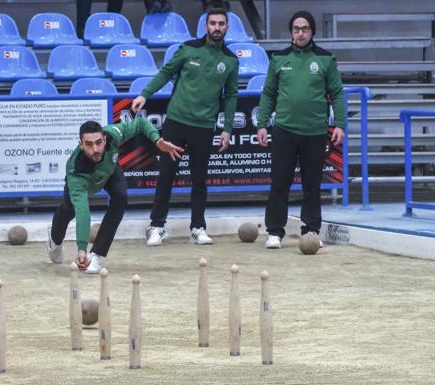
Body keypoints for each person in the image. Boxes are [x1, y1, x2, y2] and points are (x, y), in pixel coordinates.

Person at [131, 7, 239, 247]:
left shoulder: (231, 60)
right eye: (213, 23)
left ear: (227, 27)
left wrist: (227, 128)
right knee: (166, 176)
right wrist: (145, 94)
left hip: (204, 126)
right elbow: (166, 72)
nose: (217, 28)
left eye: (222, 23)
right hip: (176, 123)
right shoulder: (188, 48)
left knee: (200, 180)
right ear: (206, 26)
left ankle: (198, 227)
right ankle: (157, 226)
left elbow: (231, 95)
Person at [255, 10, 346, 249]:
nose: (300, 33)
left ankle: (311, 230)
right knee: (279, 183)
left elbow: (337, 94)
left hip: (315, 132)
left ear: (312, 31)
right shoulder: (278, 58)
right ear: (291, 32)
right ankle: (275, 232)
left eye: (305, 28)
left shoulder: (326, 59)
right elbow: (268, 94)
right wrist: (262, 124)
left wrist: (340, 125)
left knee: (312, 185)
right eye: (296, 29)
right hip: (284, 130)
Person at [47, 118, 183, 273]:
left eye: (99, 142)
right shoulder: (75, 171)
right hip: (85, 180)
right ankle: (55, 241)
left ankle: (96, 255)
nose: (95, 149)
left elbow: (139, 123)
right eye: (89, 145)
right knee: (68, 209)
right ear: (81, 145)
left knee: (121, 197)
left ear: (105, 139)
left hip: (109, 171)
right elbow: (83, 212)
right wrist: (81, 249)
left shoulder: (113, 134)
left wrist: (157, 140)